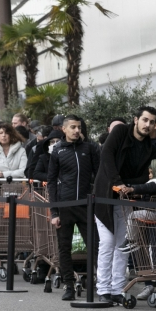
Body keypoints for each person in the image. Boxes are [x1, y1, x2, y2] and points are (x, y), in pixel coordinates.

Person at [93, 106, 156, 305]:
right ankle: (103, 289)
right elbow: (107, 156)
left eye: (152, 122)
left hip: (125, 200)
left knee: (123, 245)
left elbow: (143, 175)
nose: (148, 125)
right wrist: (117, 182)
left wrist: (128, 186)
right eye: (145, 120)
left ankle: (117, 289)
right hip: (105, 196)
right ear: (136, 119)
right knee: (107, 243)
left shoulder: (150, 147)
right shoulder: (120, 132)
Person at [47, 115, 100, 300]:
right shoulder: (57, 150)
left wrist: (97, 206)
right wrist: (54, 211)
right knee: (64, 248)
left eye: (79, 127)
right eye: (73, 127)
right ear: (64, 129)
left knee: (95, 247)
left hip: (86, 206)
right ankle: (68, 285)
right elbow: (51, 182)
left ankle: (99, 285)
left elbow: (98, 175)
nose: (77, 130)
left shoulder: (90, 148)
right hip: (65, 206)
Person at [116, 157, 156, 301]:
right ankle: (150, 285)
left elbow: (148, 188)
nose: (149, 175)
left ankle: (130, 239)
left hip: (153, 217)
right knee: (147, 252)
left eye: (151, 172)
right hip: (150, 218)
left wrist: (132, 188)